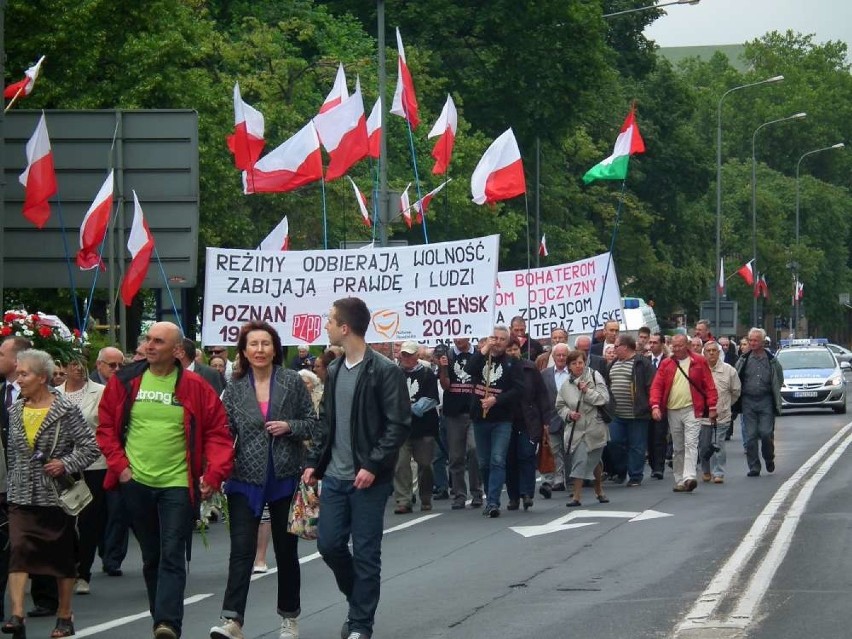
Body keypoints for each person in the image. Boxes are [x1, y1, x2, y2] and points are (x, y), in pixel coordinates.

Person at [97, 322, 234, 639]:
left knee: (173, 553)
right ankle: (160, 617)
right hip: (136, 482)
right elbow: (105, 427)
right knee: (152, 556)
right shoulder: (126, 380)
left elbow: (217, 434)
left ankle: (168, 623)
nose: (149, 345)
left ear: (176, 351)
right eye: (147, 339)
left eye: (158, 341)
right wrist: (122, 469)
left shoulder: (195, 386)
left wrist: (213, 474)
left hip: (177, 483)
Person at [302, 297, 410, 639]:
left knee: (365, 553)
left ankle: (361, 624)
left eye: (330, 321)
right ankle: (359, 598)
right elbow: (327, 422)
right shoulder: (333, 371)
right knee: (329, 545)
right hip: (335, 477)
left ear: (345, 327)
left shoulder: (385, 370)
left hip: (368, 480)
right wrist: (314, 463)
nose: (327, 326)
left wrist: (373, 465)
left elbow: (398, 424)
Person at [210, 321, 318, 639]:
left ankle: (289, 617)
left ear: (275, 349)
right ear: (243, 351)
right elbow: (223, 431)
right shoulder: (234, 387)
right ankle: (233, 621)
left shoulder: (291, 381)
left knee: (286, 552)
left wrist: (289, 426)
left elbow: (312, 423)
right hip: (244, 477)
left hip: (285, 475)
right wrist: (213, 467)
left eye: (265, 344)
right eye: (253, 344)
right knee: (241, 551)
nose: (259, 350)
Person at [4, 350, 100, 639]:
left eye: (24, 374)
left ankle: (64, 615)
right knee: (18, 550)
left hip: (55, 496)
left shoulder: (65, 409)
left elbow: (90, 448)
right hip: (21, 495)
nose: (18, 379)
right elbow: (13, 453)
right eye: (18, 373)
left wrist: (65, 463)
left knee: (60, 559)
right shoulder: (15, 410)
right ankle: (17, 615)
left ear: (41, 377)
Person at [57, 356, 106, 596]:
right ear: (63, 368)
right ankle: (71, 563)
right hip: (62, 465)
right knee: (63, 519)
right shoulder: (53, 393)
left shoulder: (100, 392)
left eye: (81, 363)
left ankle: (83, 573)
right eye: (72, 363)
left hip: (94, 464)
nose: (78, 368)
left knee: (89, 520)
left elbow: (106, 427)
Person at [466, 326, 524, 518]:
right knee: (483, 462)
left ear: (507, 342)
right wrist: (483, 351)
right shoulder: (481, 357)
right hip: (480, 417)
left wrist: (496, 400)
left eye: (501, 339)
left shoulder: (512, 363)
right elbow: (468, 370)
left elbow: (518, 390)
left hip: (502, 419)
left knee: (497, 459)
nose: (497, 342)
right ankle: (489, 494)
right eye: (494, 338)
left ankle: (493, 501)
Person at [650, 334, 718, 493]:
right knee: (678, 446)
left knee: (691, 443)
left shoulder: (699, 361)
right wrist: (655, 406)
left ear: (687, 345)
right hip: (673, 410)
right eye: (674, 345)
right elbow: (657, 386)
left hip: (692, 409)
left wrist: (713, 406)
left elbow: (709, 385)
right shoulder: (666, 363)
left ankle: (689, 477)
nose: (677, 348)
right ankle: (679, 479)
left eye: (680, 345)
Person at [556, 351, 610, 507]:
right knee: (580, 459)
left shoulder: (594, 376)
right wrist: (569, 414)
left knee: (595, 461)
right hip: (577, 430)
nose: (578, 366)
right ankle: (577, 496)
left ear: (585, 363)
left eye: (580, 362)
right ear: (569, 367)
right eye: (574, 363)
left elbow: (603, 398)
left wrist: (587, 391)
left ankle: (599, 489)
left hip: (595, 427)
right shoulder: (566, 385)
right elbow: (560, 406)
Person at [393, 341, 439, 514]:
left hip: (424, 427)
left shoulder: (427, 374)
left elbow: (431, 399)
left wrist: (408, 409)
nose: (405, 357)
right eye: (403, 354)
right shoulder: (395, 373)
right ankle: (403, 499)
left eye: (408, 354)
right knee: (401, 464)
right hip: (401, 428)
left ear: (416, 356)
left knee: (425, 465)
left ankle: (425, 497)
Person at [437, 338, 483, 510]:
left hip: (473, 411)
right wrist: (443, 367)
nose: (458, 340)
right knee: (455, 456)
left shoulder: (478, 354)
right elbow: (446, 385)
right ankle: (459, 494)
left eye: (461, 336)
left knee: (474, 450)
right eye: (455, 337)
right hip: (453, 412)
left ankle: (477, 492)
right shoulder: (448, 355)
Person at [602, 335, 654, 487]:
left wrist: (649, 405)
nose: (614, 349)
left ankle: (635, 475)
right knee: (614, 442)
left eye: (616, 346)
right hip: (616, 414)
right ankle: (621, 469)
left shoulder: (642, 363)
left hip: (637, 413)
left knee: (637, 446)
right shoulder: (612, 364)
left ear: (625, 347)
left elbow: (651, 385)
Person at [504, 339, 548, 511]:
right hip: (506, 421)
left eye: (515, 349)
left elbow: (542, 395)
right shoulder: (499, 370)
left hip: (528, 420)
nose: (513, 352)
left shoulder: (530, 368)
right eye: (509, 350)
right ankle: (513, 497)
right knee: (510, 459)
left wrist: (545, 421)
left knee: (527, 456)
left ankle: (527, 493)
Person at [735, 328, 783, 477]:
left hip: (766, 400)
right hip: (748, 401)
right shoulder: (744, 359)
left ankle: (769, 458)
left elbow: (779, 379)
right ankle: (754, 466)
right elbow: (735, 378)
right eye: (750, 340)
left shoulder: (771, 360)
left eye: (755, 340)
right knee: (750, 436)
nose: (752, 343)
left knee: (766, 433)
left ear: (763, 342)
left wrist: (774, 392)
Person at [699, 341, 741, 484]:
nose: (711, 353)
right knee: (704, 445)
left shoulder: (729, 370)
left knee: (718, 444)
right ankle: (706, 470)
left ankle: (718, 472)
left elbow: (736, 392)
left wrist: (725, 405)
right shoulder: (698, 370)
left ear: (718, 353)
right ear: (704, 353)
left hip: (722, 415)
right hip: (703, 417)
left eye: (714, 350)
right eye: (708, 350)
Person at [540, 343, 570, 498]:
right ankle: (557, 480)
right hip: (551, 418)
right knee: (554, 450)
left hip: (571, 418)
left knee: (570, 449)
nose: (561, 358)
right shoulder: (545, 374)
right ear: (553, 356)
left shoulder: (574, 373)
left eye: (564, 355)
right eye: (558, 355)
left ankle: (572, 478)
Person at [646, 332, 669, 480]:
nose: (652, 345)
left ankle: (659, 467)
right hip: (647, 405)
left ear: (661, 344)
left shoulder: (668, 361)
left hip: (663, 405)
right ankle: (653, 464)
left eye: (655, 342)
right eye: (651, 342)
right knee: (649, 437)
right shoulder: (645, 360)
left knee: (659, 437)